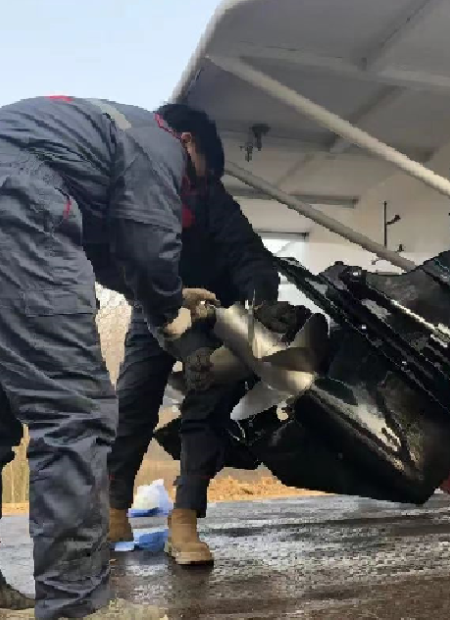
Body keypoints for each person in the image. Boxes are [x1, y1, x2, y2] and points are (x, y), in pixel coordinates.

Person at [0, 96, 224, 619]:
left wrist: (169, 293)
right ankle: (78, 606)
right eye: (193, 180)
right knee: (74, 416)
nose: (185, 192)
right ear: (188, 142)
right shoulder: (157, 141)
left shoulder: (88, 137)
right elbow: (148, 243)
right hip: (18, 208)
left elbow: (111, 255)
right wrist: (170, 315)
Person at [107, 147, 302, 565]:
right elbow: (128, 268)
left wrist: (261, 303)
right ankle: (113, 510)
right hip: (155, 308)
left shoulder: (211, 197)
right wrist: (185, 339)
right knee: (133, 403)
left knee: (207, 399)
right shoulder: (136, 194)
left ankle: (184, 518)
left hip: (217, 310)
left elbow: (249, 255)